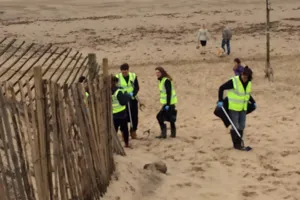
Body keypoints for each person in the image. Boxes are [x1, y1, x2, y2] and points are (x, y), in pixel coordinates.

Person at [217, 66, 256, 150]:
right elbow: (221, 88)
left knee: (242, 125)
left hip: (243, 108)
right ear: (242, 74)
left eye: (246, 77)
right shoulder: (234, 81)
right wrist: (220, 100)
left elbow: (247, 94)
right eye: (243, 76)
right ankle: (237, 144)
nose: (244, 78)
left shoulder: (249, 83)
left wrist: (253, 102)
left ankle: (239, 142)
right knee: (235, 126)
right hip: (233, 107)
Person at [115, 63, 140, 139]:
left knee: (134, 116)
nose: (124, 73)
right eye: (123, 72)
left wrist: (133, 94)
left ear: (128, 70)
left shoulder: (133, 76)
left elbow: (137, 87)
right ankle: (124, 132)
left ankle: (133, 131)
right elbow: (116, 88)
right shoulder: (117, 77)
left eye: (126, 72)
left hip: (132, 98)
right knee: (124, 117)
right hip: (123, 99)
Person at [155, 66, 178, 139]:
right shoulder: (161, 80)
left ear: (162, 72)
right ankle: (171, 134)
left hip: (169, 103)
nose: (157, 74)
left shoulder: (166, 80)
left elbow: (169, 93)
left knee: (159, 117)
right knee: (170, 118)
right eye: (156, 73)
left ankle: (164, 133)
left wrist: (167, 104)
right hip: (167, 103)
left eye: (158, 72)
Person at [111, 76, 131, 148]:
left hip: (113, 114)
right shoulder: (118, 91)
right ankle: (126, 143)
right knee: (124, 129)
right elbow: (123, 102)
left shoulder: (107, 91)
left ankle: (113, 145)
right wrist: (127, 96)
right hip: (121, 113)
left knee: (114, 130)